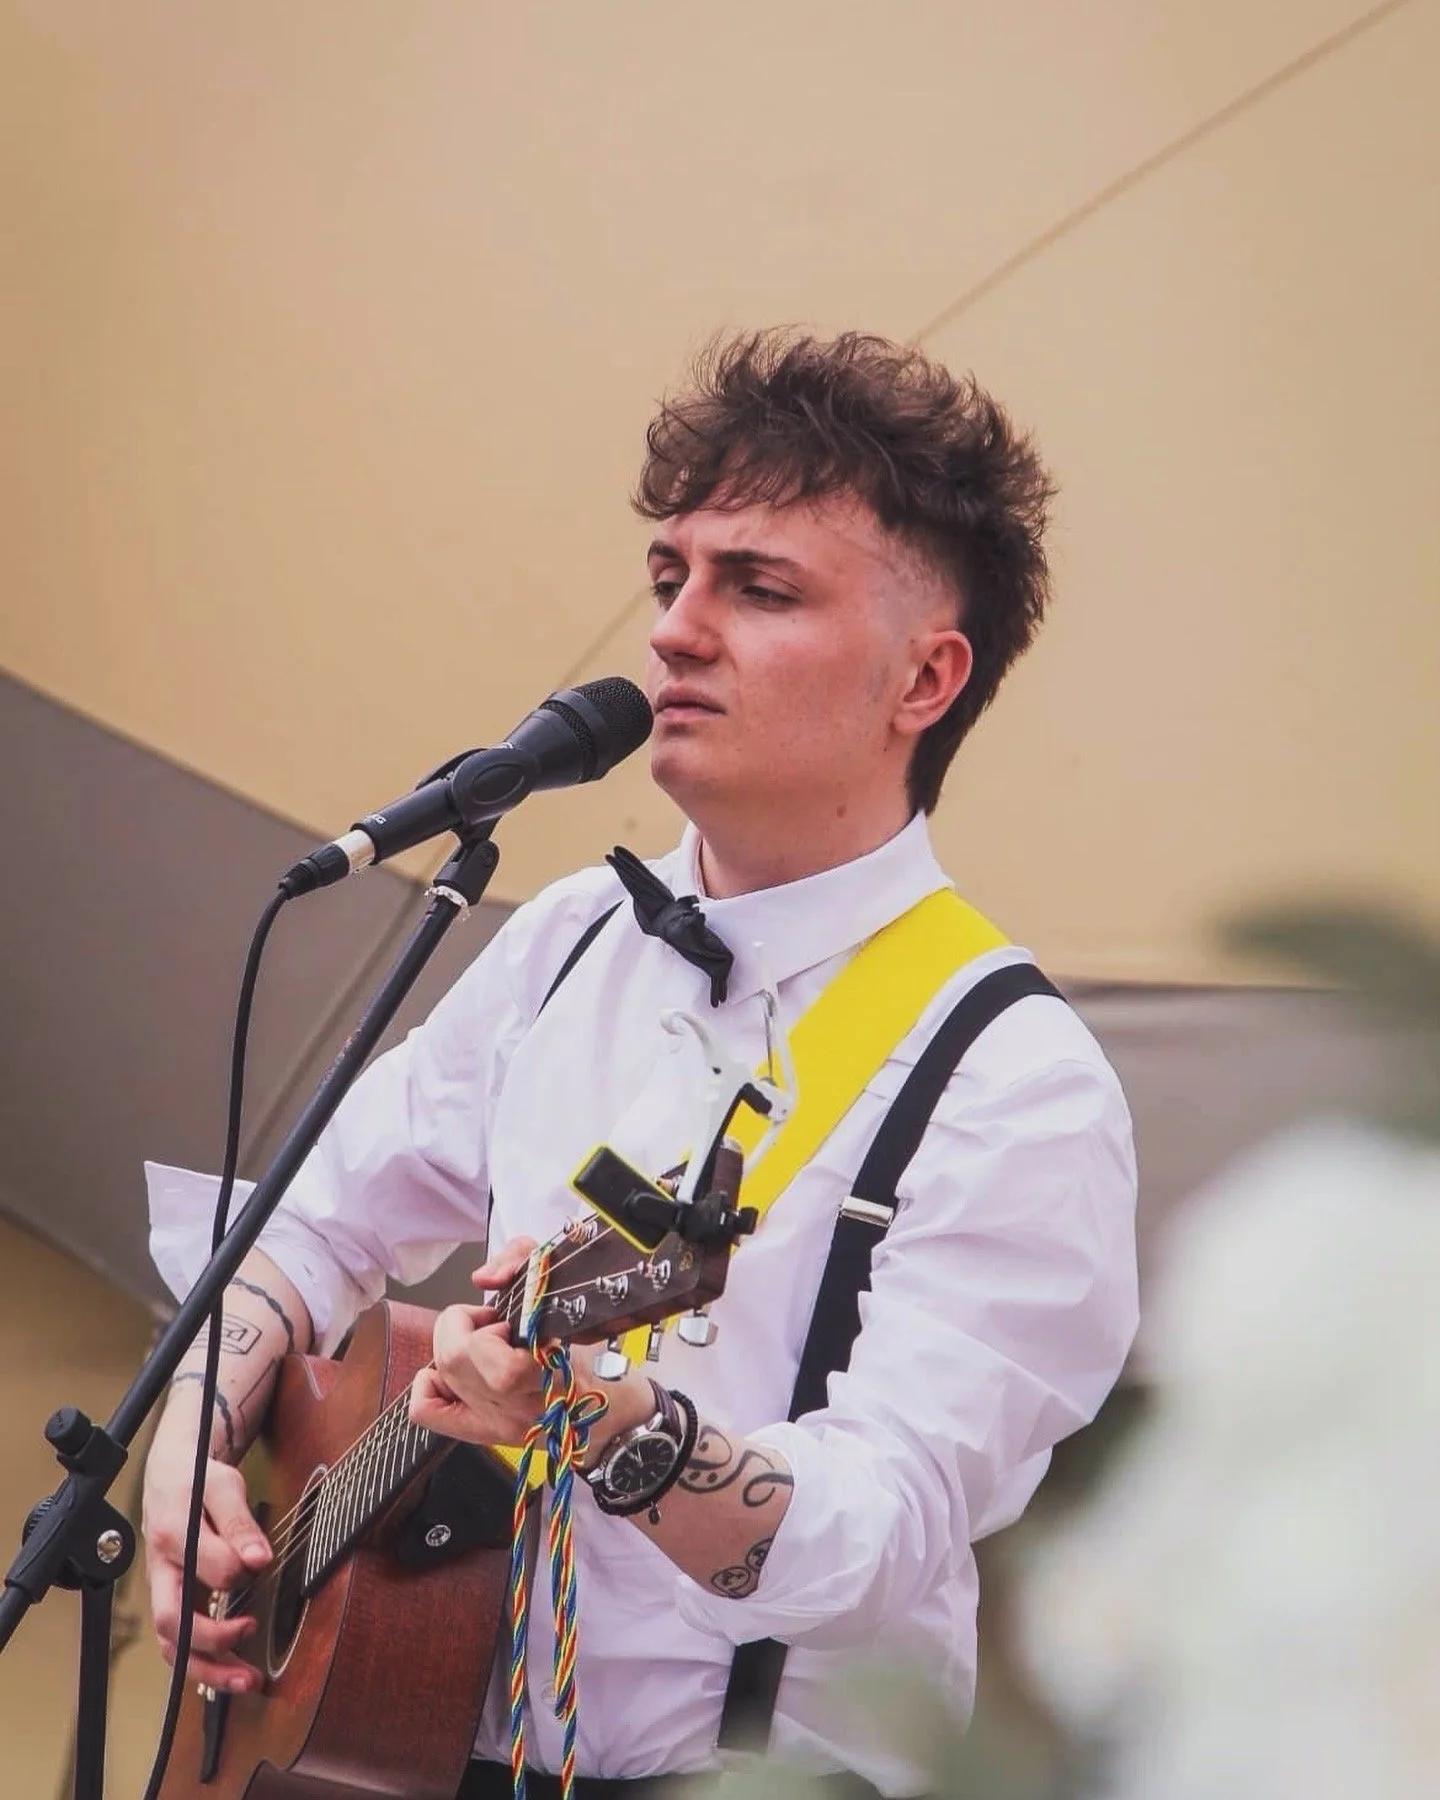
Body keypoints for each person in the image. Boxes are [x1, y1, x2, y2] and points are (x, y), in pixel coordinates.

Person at [143, 330, 1139, 1798]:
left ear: (925, 678)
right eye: (673, 576)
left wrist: (618, 1428)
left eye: (760, 586)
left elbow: (887, 1532)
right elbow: (309, 1218)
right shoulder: (564, 938)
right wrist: (189, 1439)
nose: (673, 627)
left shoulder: (1015, 1081)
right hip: (418, 1753)